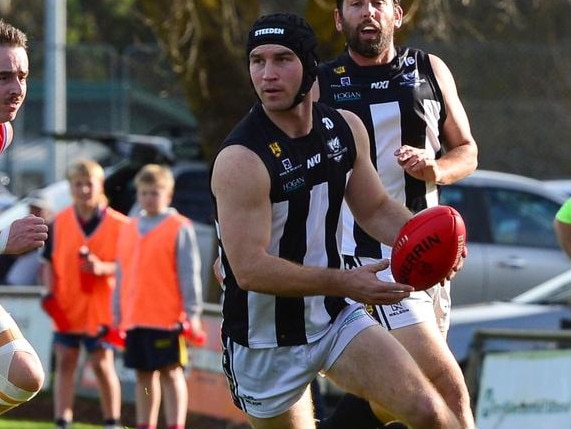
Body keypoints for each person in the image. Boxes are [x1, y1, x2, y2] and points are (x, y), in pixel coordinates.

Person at [210, 12, 463, 429]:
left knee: (430, 410)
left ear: (310, 65)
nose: (268, 75)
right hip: (264, 339)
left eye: (283, 60)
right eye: (258, 61)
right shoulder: (241, 159)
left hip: (334, 315)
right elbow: (249, 270)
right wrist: (348, 282)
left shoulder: (342, 128)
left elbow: (376, 209)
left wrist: (435, 237)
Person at [314, 1, 479, 427]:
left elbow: (467, 150)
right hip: (371, 261)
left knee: (403, 396)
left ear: (396, 15)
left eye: (378, 2)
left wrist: (436, 167)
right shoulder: (320, 85)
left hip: (432, 256)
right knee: (446, 390)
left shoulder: (430, 69)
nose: (367, 12)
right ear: (338, 19)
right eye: (354, 4)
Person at [114, 163, 204, 429]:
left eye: (155, 192)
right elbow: (121, 273)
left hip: (167, 318)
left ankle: (176, 424)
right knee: (143, 375)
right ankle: (146, 423)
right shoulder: (129, 227)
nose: (149, 198)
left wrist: (193, 314)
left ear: (168, 194)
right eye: (144, 192)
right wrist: (117, 312)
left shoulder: (179, 226)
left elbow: (190, 273)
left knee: (171, 372)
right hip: (135, 318)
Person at [40, 159, 128, 429]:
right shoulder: (60, 222)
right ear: (70, 187)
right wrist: (49, 294)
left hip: (102, 308)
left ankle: (111, 421)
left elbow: (129, 266)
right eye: (78, 184)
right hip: (67, 305)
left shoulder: (119, 224)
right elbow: (47, 263)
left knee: (102, 364)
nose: (84, 189)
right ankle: (62, 420)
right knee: (65, 361)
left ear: (100, 185)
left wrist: (102, 267)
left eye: (89, 183)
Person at [0, 18, 47, 415]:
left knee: (24, 374)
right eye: (2, 78)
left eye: (22, 75)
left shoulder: (3, 133)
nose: (16, 89)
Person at [1, 192, 53, 285]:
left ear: (48, 212)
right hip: (10, 286)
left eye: (38, 210)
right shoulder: (23, 231)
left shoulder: (54, 232)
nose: (34, 213)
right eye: (32, 209)